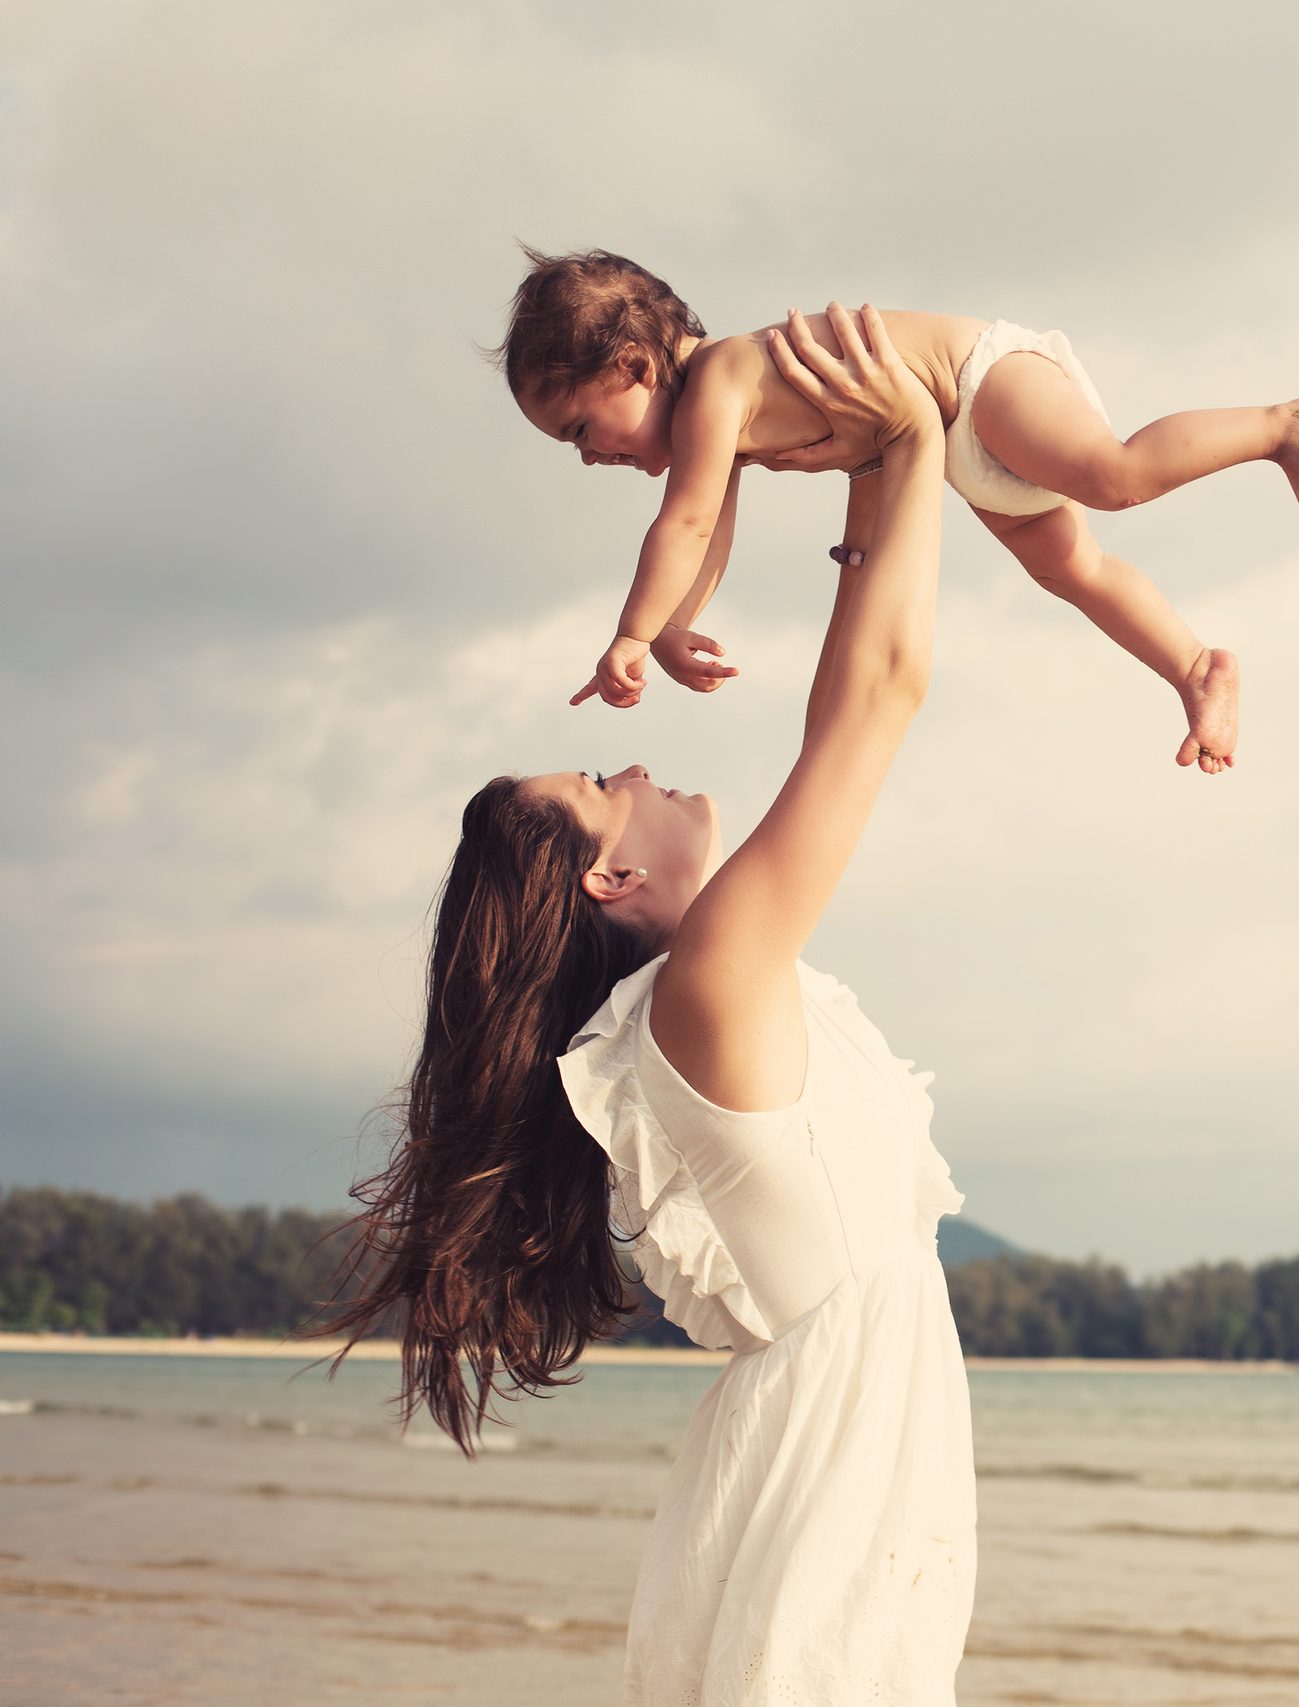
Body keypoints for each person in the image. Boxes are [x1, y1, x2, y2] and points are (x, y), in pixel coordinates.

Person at [326, 304, 977, 1703]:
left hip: (824, 1486)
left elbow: (866, 686)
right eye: (604, 783)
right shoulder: (709, 990)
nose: (636, 761)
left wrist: (876, 471)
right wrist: (908, 441)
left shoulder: (691, 1008)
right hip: (832, 1504)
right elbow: (877, 697)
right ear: (611, 874)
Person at [500, 247, 1299, 775]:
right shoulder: (707, 430)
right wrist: (681, 618)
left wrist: (634, 635)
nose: (589, 455)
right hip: (951, 448)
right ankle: (1195, 665)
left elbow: (683, 525)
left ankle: (1280, 425)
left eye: (581, 427)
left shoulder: (721, 375)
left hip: (980, 381)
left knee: (1114, 474)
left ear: (633, 364)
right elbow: (710, 529)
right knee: (1071, 567)